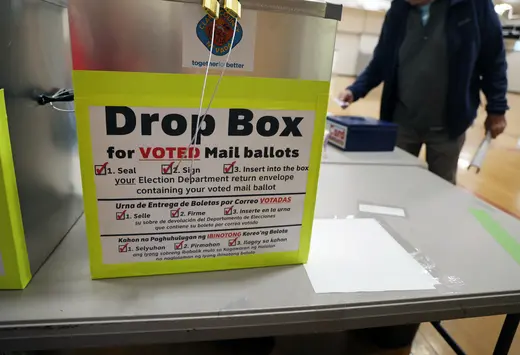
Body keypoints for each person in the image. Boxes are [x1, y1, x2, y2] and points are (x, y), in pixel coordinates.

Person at [338, 0, 508, 184]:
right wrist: (354, 90)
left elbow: (494, 60)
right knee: (392, 184)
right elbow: (381, 61)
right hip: (401, 122)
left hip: (448, 127)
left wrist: (497, 108)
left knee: (440, 191)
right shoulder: (398, 9)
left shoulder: (472, 5)